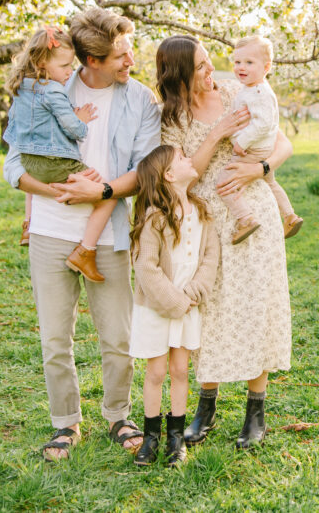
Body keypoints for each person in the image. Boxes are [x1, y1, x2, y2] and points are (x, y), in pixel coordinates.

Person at [3, 8, 159, 461]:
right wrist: (52, 191)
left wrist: (101, 190)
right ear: (92, 60)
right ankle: (66, 422)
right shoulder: (45, 86)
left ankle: (118, 415)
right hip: (51, 231)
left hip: (107, 233)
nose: (131, 61)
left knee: (118, 337)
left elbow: (146, 169)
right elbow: (13, 163)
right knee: (55, 339)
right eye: (121, 56)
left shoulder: (141, 100)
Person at [155, 34, 293, 450]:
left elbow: (282, 142)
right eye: (201, 66)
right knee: (208, 310)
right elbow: (184, 173)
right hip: (205, 220)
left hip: (252, 210)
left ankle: (256, 410)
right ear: (180, 75)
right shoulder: (172, 119)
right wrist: (216, 133)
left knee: (256, 304)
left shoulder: (238, 90)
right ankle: (206, 406)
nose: (211, 71)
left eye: (209, 61)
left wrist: (259, 169)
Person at [128, 145, 219, 467]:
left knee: (180, 370)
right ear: (168, 175)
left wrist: (193, 293)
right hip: (157, 307)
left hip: (189, 305)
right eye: (181, 158)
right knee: (156, 372)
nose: (189, 159)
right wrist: (175, 301)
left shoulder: (202, 210)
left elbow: (210, 257)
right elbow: (146, 267)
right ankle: (151, 437)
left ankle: (176, 437)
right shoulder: (154, 217)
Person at [2, 26, 117, 283]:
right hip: (57, 163)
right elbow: (74, 129)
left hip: (30, 162)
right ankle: (86, 251)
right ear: (42, 63)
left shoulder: (21, 88)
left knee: (35, 180)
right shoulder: (53, 89)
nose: (69, 71)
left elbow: (17, 132)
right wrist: (81, 120)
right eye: (64, 66)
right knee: (108, 195)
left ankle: (28, 225)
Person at [217, 36, 303, 244]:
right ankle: (290, 216)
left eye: (249, 62)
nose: (241, 67)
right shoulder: (252, 88)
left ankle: (245, 219)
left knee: (224, 182)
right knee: (270, 181)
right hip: (263, 148)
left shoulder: (259, 92)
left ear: (266, 67)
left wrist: (241, 142)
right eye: (237, 62)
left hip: (253, 150)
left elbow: (263, 124)